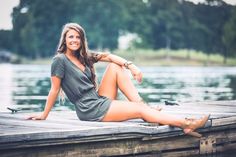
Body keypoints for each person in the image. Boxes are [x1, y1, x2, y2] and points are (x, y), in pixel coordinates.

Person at [28, 23, 209, 138]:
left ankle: (146, 108)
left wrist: (132, 66)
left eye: (78, 37)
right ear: (65, 39)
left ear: (82, 40)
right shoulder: (59, 60)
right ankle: (186, 123)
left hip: (98, 99)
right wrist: (44, 115)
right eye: (71, 37)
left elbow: (110, 56)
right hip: (88, 109)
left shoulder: (84, 57)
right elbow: (54, 90)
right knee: (140, 110)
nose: (74, 40)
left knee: (116, 67)